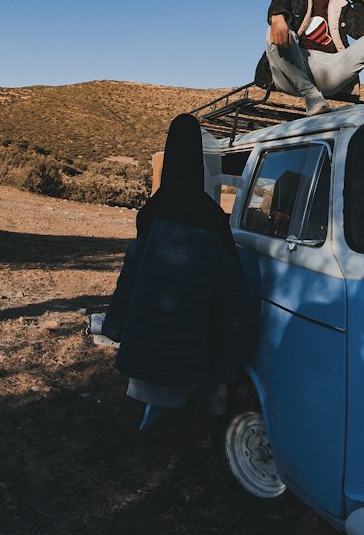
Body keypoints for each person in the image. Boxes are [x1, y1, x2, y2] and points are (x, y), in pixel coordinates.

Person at [102, 113, 253, 427]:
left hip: (143, 355)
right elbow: (233, 303)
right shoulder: (213, 220)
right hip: (190, 361)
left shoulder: (150, 214)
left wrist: (113, 329)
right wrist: (226, 371)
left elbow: (128, 283)